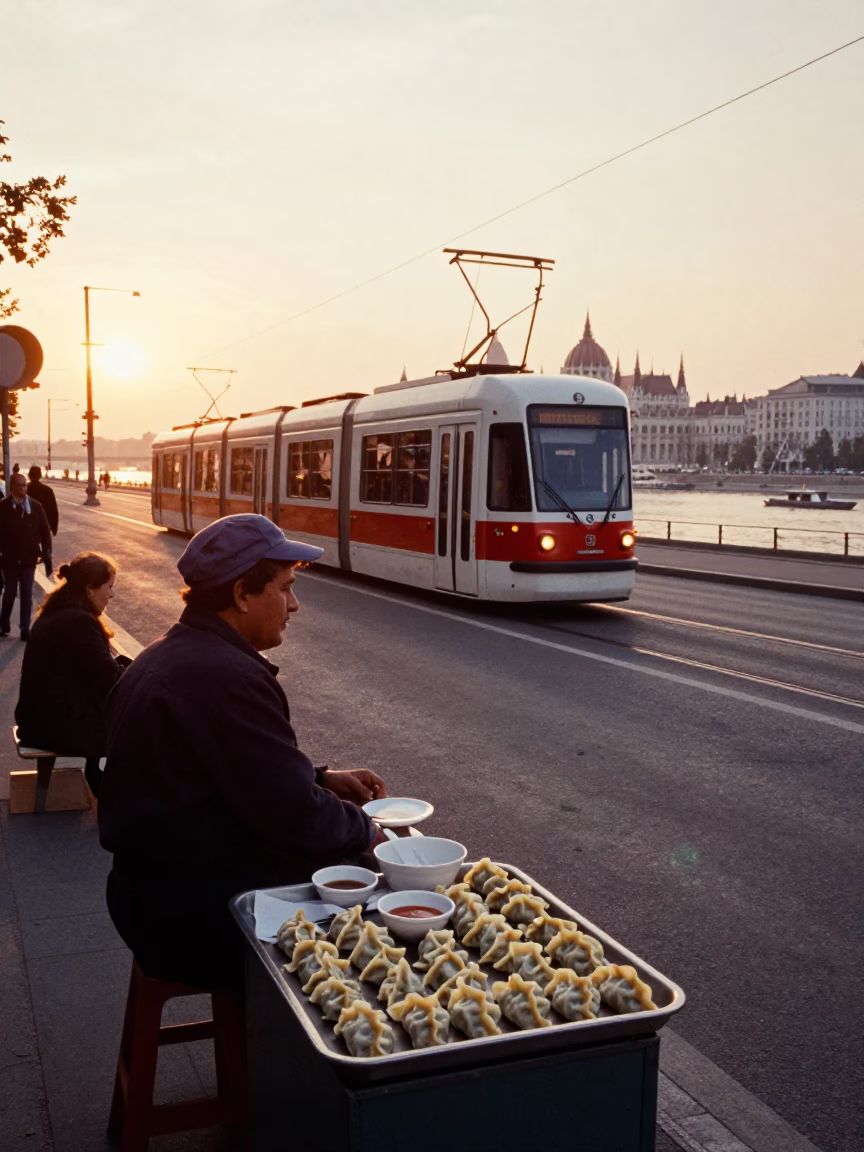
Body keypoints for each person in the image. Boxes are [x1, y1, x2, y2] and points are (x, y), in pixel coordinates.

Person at [98, 514, 388, 993]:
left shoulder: (171, 652)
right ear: (241, 594)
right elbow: (294, 817)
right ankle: (309, 1058)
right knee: (372, 895)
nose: (294, 605)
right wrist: (372, 831)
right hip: (189, 917)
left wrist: (320, 777)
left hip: (148, 892)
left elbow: (230, 771)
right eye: (286, 587)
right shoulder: (226, 677)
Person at [15, 553, 128, 796]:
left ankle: (98, 773)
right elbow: (109, 679)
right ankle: (116, 790)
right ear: (90, 589)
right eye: (109, 587)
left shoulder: (60, 612)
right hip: (53, 725)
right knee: (140, 719)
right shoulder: (79, 622)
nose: (112, 594)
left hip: (39, 719)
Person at [0, 472, 53, 640]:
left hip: (29, 558)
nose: (23, 489)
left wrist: (47, 554)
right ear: (11, 488)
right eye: (19, 485)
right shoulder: (2, 506)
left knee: (26, 592)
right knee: (9, 593)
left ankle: (24, 627)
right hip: (8, 559)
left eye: (24, 485)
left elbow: (45, 532)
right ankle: (4, 624)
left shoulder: (35, 506)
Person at [27, 466, 59, 537]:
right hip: (43, 524)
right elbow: (53, 510)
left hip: (27, 525)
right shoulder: (48, 490)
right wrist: (54, 527)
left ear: (29, 475)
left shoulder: (24, 489)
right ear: (40, 476)